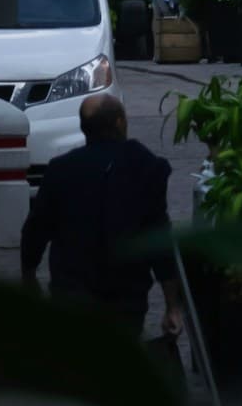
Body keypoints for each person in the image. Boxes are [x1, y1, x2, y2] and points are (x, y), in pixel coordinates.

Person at [19, 93, 170, 334]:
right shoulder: (146, 167)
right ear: (120, 122)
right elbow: (160, 239)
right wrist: (173, 305)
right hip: (126, 295)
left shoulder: (61, 169)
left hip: (72, 292)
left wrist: (29, 275)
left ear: (84, 128)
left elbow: (36, 229)